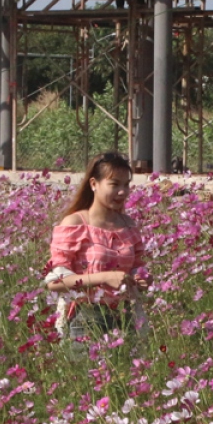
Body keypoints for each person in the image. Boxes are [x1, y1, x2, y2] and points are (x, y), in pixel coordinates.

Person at [44, 152, 149, 356]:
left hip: (126, 317)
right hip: (87, 319)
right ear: (94, 184)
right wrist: (103, 278)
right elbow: (55, 282)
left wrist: (140, 278)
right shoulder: (75, 224)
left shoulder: (129, 226)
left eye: (126, 185)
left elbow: (136, 266)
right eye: (115, 184)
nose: (122, 192)